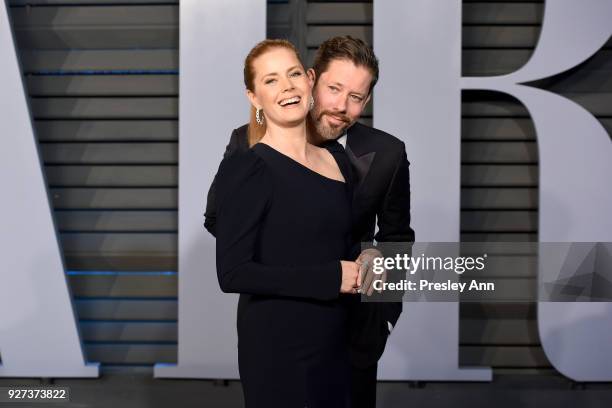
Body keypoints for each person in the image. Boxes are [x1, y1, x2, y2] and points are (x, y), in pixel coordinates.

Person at [207, 36, 415, 408]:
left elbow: (398, 236)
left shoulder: (388, 153)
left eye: (356, 97)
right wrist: (306, 262)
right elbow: (221, 225)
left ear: (366, 100)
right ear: (313, 79)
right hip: (284, 329)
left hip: (355, 334)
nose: (341, 106)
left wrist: (381, 302)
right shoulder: (249, 142)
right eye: (334, 89)